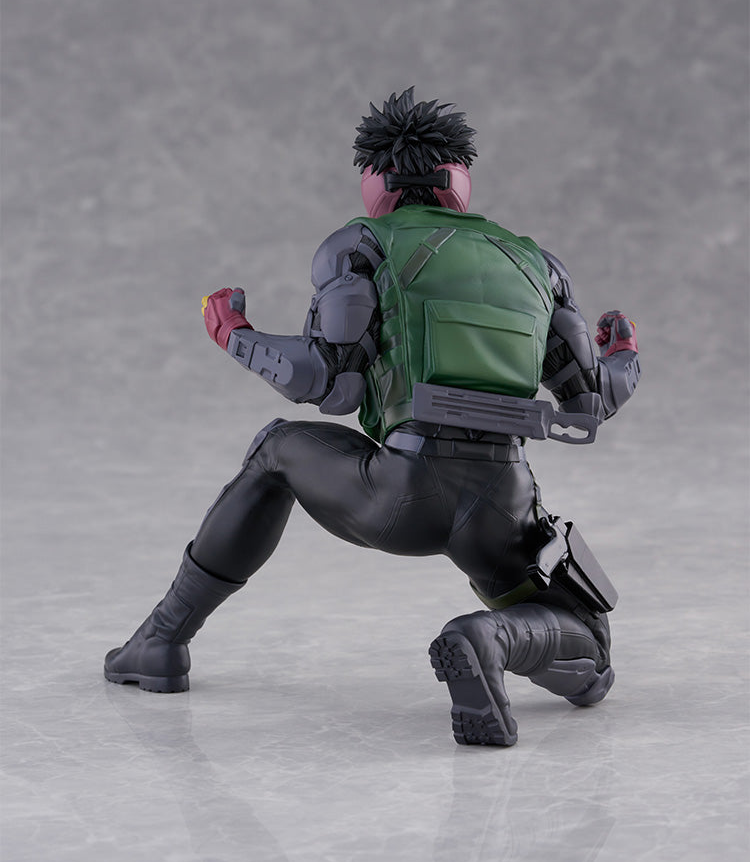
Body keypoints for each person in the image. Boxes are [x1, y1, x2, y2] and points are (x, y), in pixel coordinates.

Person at [104, 88, 640, 746]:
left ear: (376, 184)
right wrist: (625, 352)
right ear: (457, 181)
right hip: (503, 499)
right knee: (591, 656)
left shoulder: (361, 245)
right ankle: (495, 637)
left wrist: (234, 334)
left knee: (276, 449)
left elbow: (325, 381)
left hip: (402, 490)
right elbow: (591, 402)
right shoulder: (539, 265)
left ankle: (162, 641)